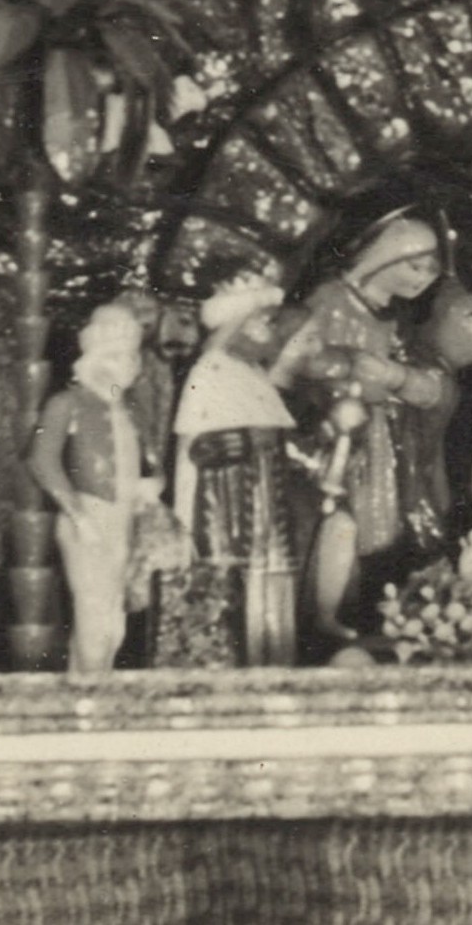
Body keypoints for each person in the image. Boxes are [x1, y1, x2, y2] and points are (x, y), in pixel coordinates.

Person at [273, 211, 450, 635]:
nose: (423, 279)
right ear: (383, 256)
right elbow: (300, 364)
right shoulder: (330, 301)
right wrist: (344, 375)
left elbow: (432, 384)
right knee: (340, 525)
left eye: (431, 270)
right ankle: (327, 615)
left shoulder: (399, 319)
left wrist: (398, 379)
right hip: (337, 437)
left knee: (383, 528)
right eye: (415, 266)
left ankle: (370, 611)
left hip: (385, 437)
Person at [166, 274, 311, 669]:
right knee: (232, 594)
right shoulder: (210, 371)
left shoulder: (253, 373)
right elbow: (199, 447)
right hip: (227, 509)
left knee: (272, 591)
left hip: (267, 510)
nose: (270, 330)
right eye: (263, 320)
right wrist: (249, 442)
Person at [29, 300, 167, 676]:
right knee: (93, 614)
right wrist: (78, 514)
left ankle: (92, 685)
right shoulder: (67, 403)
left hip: (124, 521)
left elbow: (147, 463)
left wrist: (149, 486)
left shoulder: (130, 410)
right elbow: (42, 461)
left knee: (114, 620)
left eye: (131, 356)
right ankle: (91, 687)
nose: (127, 365)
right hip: (89, 516)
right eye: (116, 356)